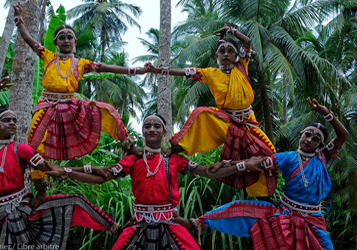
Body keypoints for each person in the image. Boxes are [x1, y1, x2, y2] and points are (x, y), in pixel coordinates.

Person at [46, 113, 265, 250]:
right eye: (147, 126)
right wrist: (65, 171)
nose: (152, 129)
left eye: (156, 126)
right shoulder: (133, 160)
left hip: (171, 223)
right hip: (139, 224)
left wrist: (243, 164)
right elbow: (103, 176)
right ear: (142, 131)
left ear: (164, 131)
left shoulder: (175, 159)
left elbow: (209, 172)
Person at [0, 78, 120, 250]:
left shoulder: (21, 149)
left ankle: (111, 226)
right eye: (6, 120)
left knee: (74, 202)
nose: (12, 123)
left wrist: (89, 169)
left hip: (24, 210)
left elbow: (51, 169)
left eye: (14, 120)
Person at [188, 98, 348, 250]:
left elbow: (343, 135)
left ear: (319, 144)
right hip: (286, 214)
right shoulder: (287, 158)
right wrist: (227, 163)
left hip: (314, 220)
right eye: (307, 134)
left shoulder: (323, 157)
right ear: (300, 135)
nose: (309, 140)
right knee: (239, 210)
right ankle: (198, 222)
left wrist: (325, 112)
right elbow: (258, 163)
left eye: (315, 138)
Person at [148, 25, 277, 198]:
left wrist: (231, 30)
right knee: (200, 113)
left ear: (236, 55)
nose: (225, 54)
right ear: (216, 55)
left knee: (270, 156)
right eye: (221, 50)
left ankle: (264, 197)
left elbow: (247, 42)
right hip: (226, 121)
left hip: (249, 122)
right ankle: (176, 148)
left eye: (230, 51)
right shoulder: (210, 73)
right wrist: (158, 71)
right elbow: (183, 72)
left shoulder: (242, 66)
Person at [12, 2, 144, 166]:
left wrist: (136, 71)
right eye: (62, 37)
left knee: (107, 111)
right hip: (46, 105)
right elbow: (27, 38)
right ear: (55, 42)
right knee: (35, 142)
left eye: (69, 37)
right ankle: (39, 184)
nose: (66, 40)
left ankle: (128, 145)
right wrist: (18, 19)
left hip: (71, 105)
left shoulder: (81, 63)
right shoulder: (48, 56)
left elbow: (105, 67)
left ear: (75, 42)